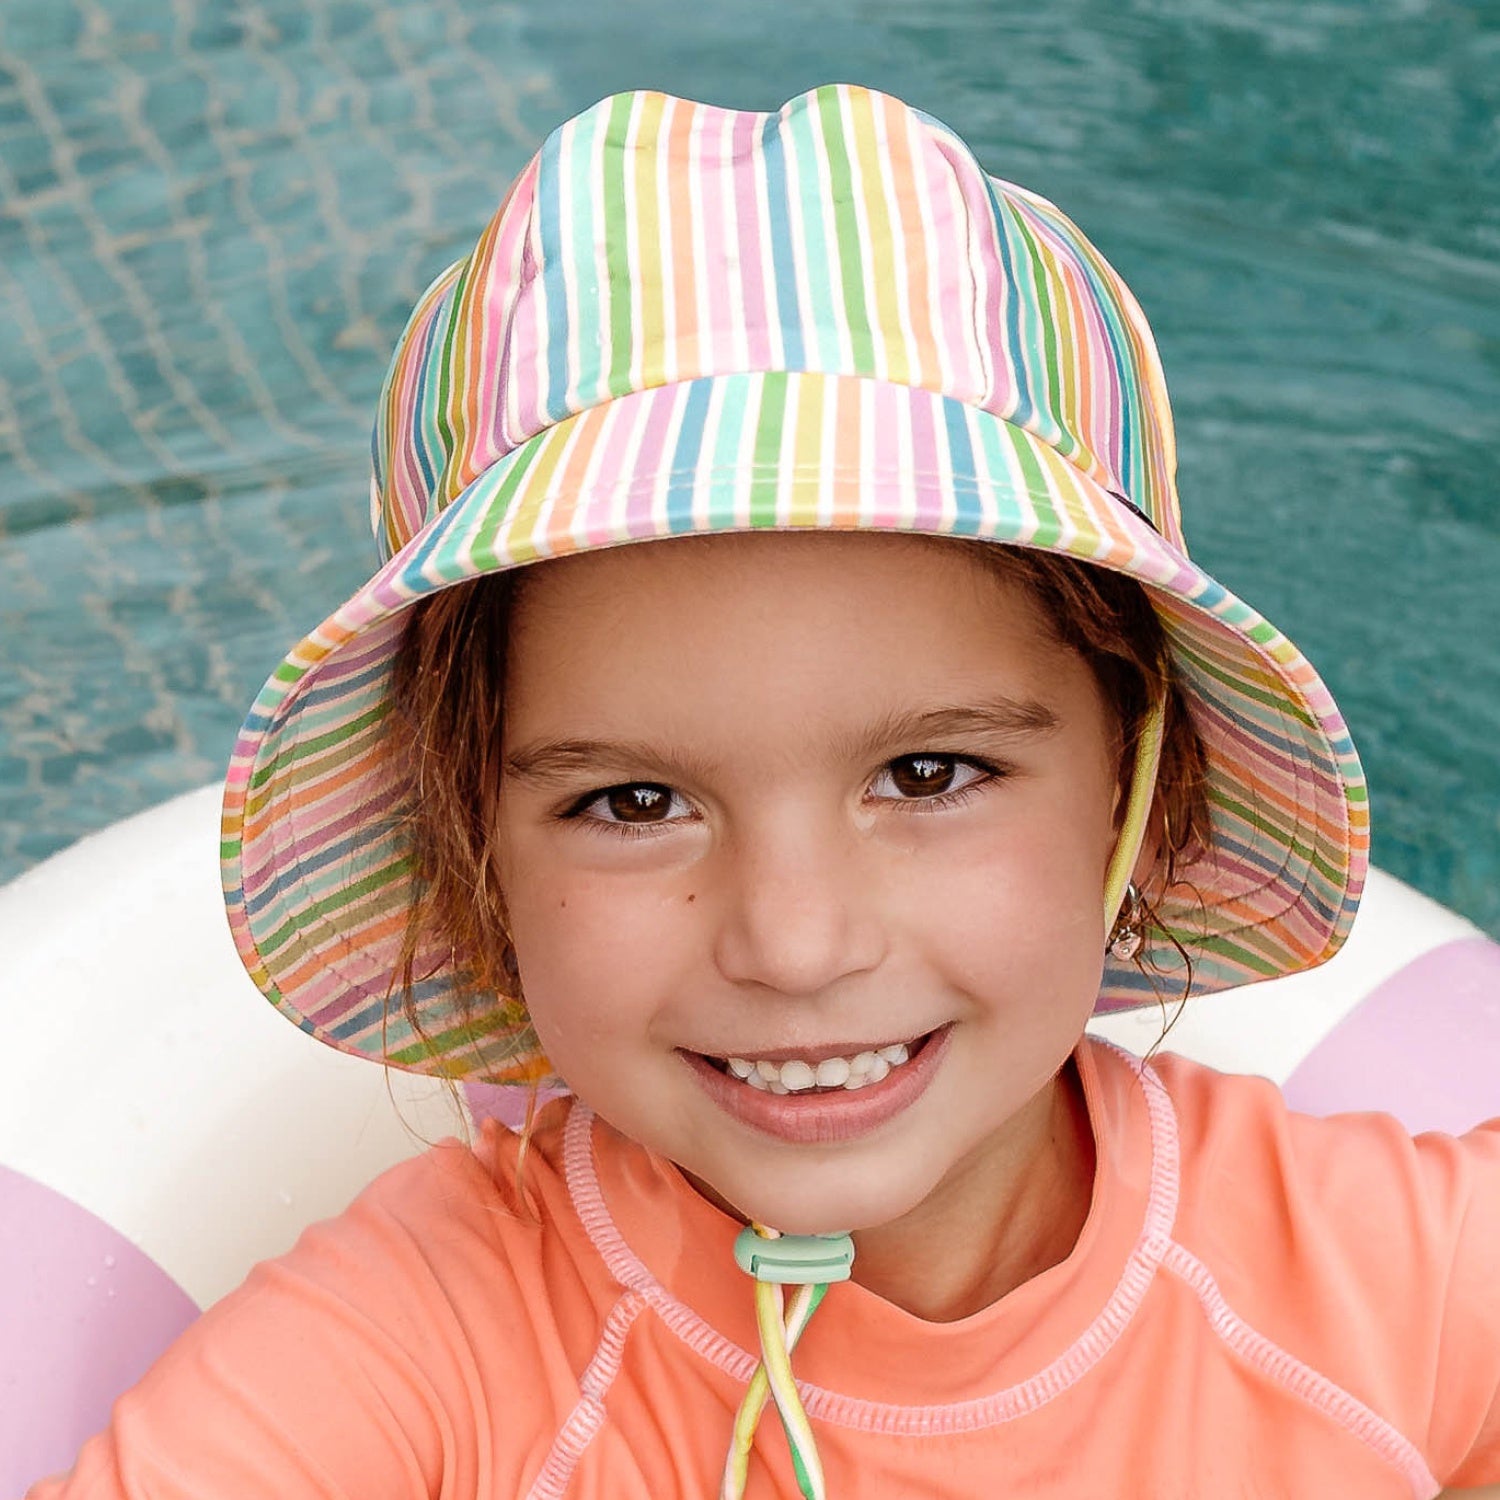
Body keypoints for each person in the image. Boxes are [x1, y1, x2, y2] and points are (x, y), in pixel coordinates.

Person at [29, 84, 1500, 1497]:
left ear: (1138, 786)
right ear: (474, 846)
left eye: (930, 774)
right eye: (633, 804)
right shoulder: (421, 1355)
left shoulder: (1381, 1291)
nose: (795, 948)